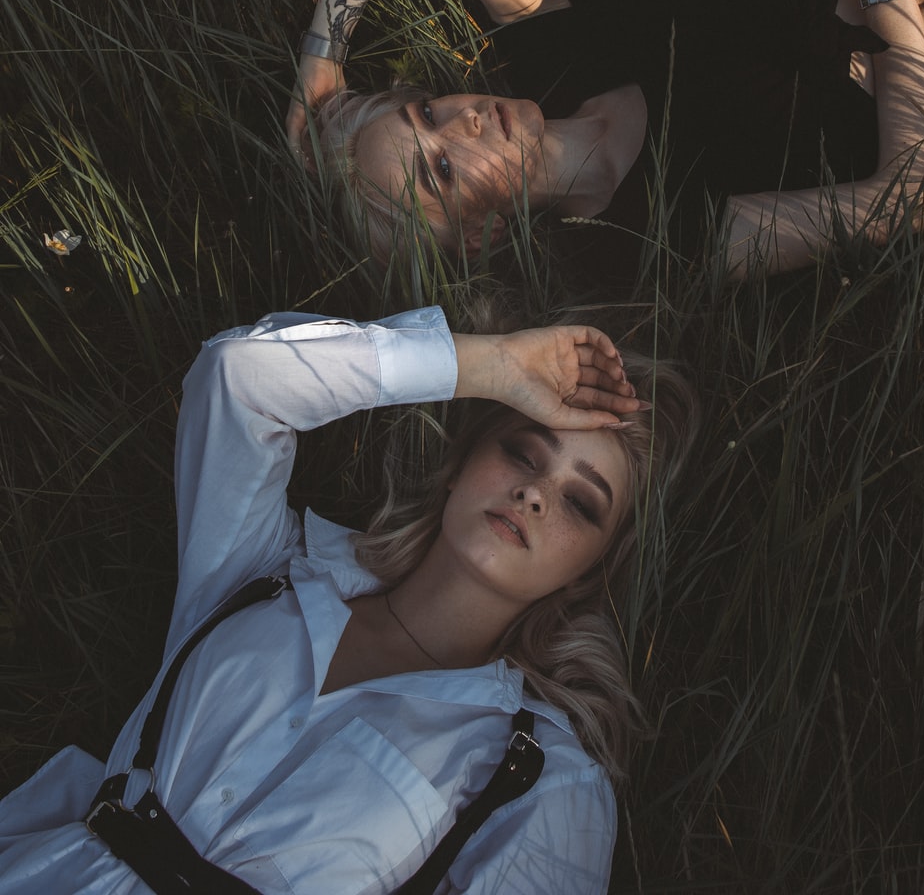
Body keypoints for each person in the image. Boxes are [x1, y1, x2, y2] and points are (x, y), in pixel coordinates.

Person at [0, 300, 698, 893]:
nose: (536, 494)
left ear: (589, 573)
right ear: (458, 467)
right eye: (522, 451)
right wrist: (489, 367)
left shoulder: (539, 776)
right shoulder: (269, 570)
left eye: (581, 503)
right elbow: (237, 378)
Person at [285, 0, 924, 280]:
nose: (462, 120)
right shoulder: (648, 239)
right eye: (439, 169)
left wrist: (321, 59)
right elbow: (915, 198)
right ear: (480, 236)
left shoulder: (554, 60)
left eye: (427, 111)